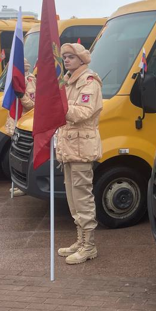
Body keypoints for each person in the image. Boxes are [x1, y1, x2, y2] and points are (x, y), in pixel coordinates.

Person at [55, 43, 102, 265]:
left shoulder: (89, 82)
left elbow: (84, 112)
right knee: (73, 200)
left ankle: (89, 246)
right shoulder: (67, 80)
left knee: (82, 197)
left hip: (82, 148)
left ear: (82, 59)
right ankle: (80, 240)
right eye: (64, 57)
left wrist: (60, 107)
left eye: (70, 57)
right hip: (68, 147)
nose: (66, 60)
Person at [5, 60, 36, 196]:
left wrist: (21, 95)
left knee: (24, 158)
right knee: (15, 156)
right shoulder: (12, 81)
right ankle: (18, 184)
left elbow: (32, 105)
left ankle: (24, 186)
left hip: (25, 124)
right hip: (15, 122)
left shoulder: (29, 81)